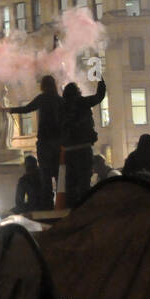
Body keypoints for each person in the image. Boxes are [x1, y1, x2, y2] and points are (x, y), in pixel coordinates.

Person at [4, 75, 61, 210]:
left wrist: (10, 110)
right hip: (57, 141)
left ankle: (48, 204)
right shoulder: (59, 100)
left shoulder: (42, 98)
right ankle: (60, 202)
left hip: (44, 140)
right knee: (59, 173)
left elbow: (27, 108)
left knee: (46, 174)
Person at [59, 79, 106, 208]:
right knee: (84, 182)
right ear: (77, 92)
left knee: (71, 184)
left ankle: (72, 211)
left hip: (69, 151)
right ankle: (85, 209)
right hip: (84, 149)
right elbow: (99, 96)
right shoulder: (83, 102)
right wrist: (100, 80)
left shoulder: (61, 107)